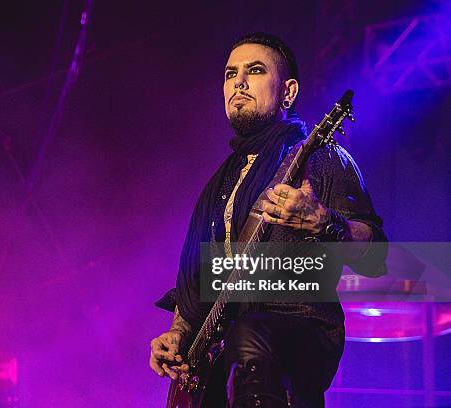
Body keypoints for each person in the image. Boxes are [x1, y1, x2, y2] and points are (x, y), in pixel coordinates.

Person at [149, 32, 387, 407]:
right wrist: (178, 333)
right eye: (230, 74)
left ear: (288, 93)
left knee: (251, 332)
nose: (238, 82)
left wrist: (323, 222)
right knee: (242, 339)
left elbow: (376, 257)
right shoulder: (219, 185)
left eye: (254, 70)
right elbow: (200, 279)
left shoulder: (320, 158)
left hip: (297, 332)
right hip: (221, 357)